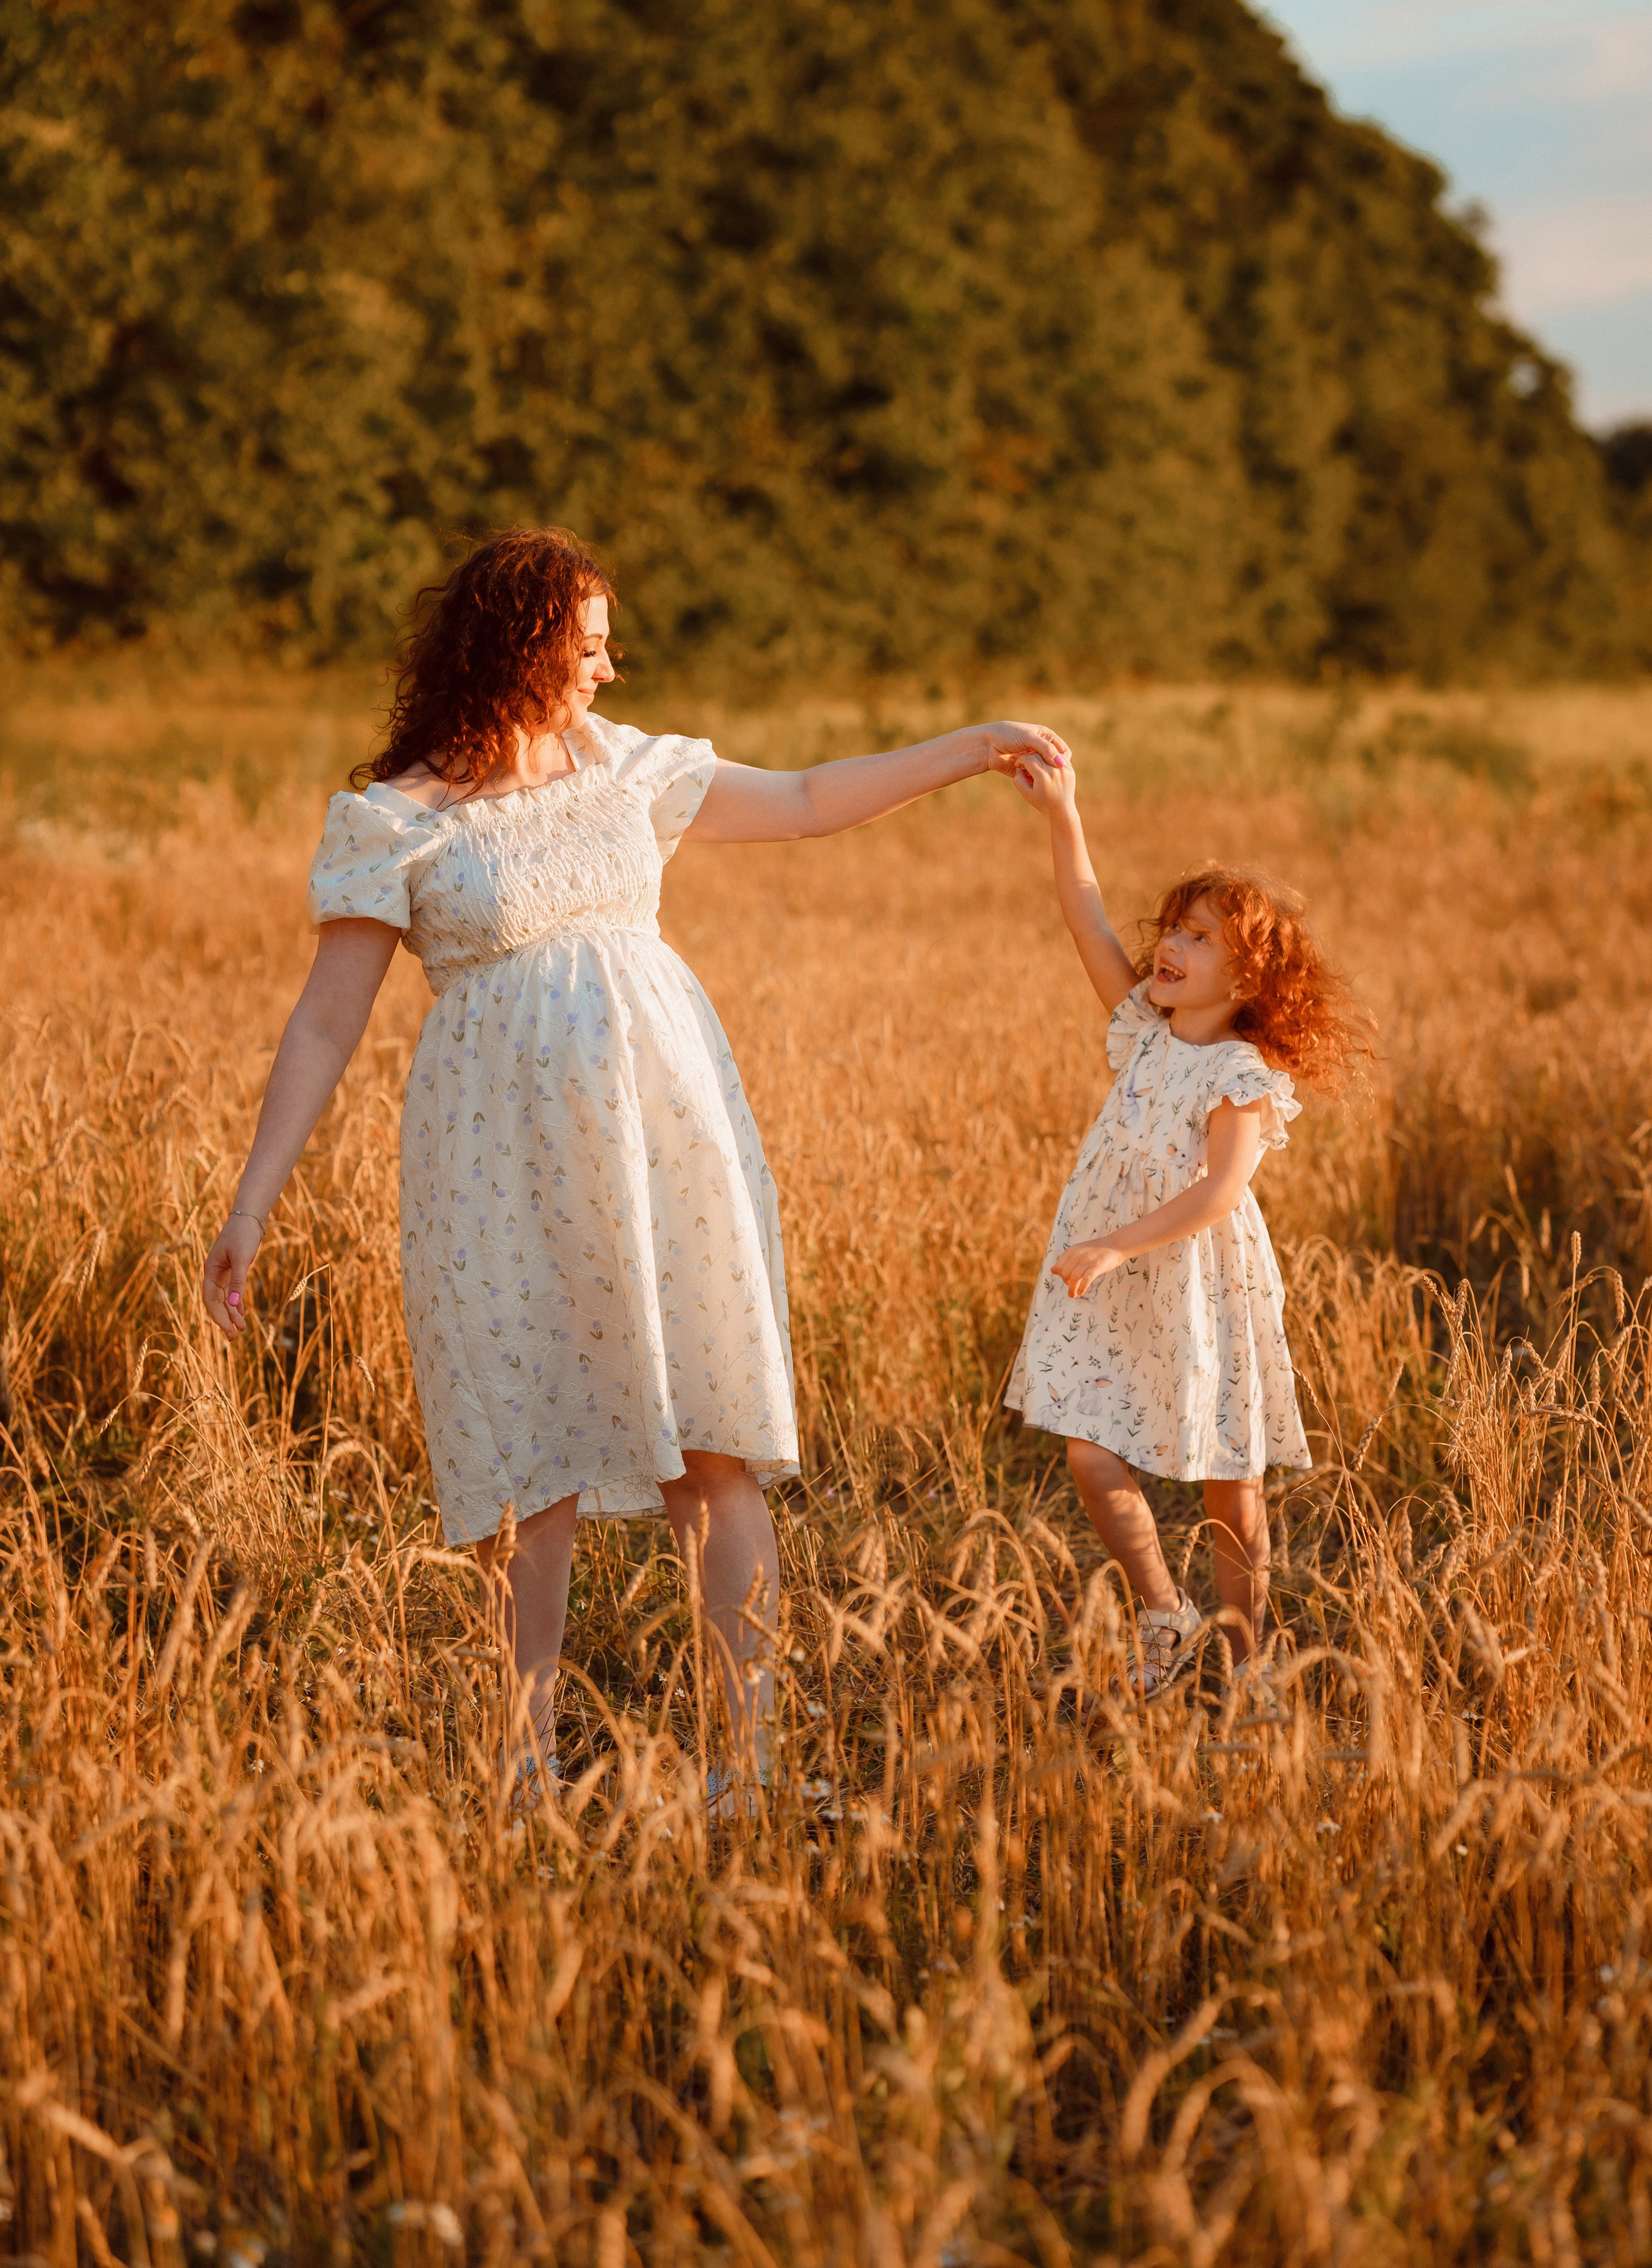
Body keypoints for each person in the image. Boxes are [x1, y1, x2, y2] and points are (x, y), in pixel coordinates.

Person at [202, 527, 1069, 1794]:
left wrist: (971, 744)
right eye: (590, 645)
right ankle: (521, 1774)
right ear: (520, 645)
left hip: (663, 1127)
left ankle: (749, 1767)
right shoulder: (393, 818)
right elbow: (326, 1019)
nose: (609, 670)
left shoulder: (628, 769)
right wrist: (251, 1201)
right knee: (522, 1459)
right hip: (491, 1155)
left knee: (709, 1440)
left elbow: (812, 798)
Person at [1007, 749, 1365, 1700]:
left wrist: (1117, 1241)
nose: (1171, 943)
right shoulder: (1142, 1034)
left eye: (1200, 937)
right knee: (1089, 1447)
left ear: (1250, 978)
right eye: (1173, 926)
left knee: (1227, 1481)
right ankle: (1165, 1613)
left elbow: (1219, 1194)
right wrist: (1065, 815)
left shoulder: (1241, 1077)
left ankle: (1249, 1663)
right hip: (1119, 1282)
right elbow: (1084, 913)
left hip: (1198, 1281)